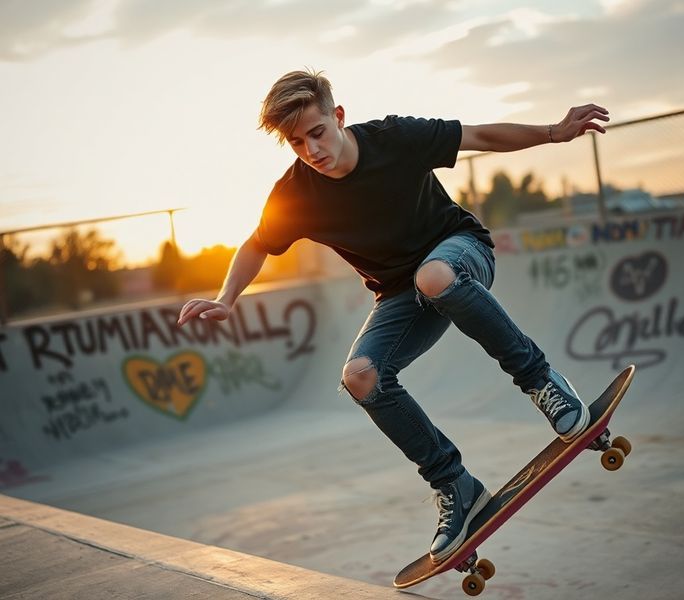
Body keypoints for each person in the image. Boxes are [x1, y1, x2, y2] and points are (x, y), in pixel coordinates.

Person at [177, 69, 610, 563]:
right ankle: (456, 485)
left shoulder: (396, 138)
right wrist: (227, 298)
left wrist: (555, 132)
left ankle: (543, 382)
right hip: (399, 295)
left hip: (462, 254)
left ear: (338, 117)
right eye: (297, 143)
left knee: (435, 275)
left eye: (317, 133)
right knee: (361, 377)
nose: (312, 151)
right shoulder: (296, 194)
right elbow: (257, 245)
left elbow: (481, 136)